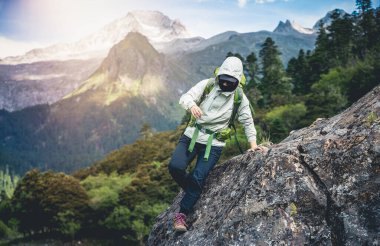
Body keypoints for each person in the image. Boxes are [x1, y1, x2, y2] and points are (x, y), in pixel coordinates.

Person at [168, 56, 266, 232]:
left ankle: (181, 215)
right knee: (175, 167)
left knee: (198, 176)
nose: (226, 84)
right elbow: (186, 96)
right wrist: (191, 106)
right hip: (192, 135)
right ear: (219, 76)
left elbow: (247, 121)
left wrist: (253, 144)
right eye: (224, 80)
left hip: (214, 144)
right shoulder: (207, 85)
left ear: (237, 81)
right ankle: (193, 191)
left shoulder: (239, 98)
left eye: (230, 82)